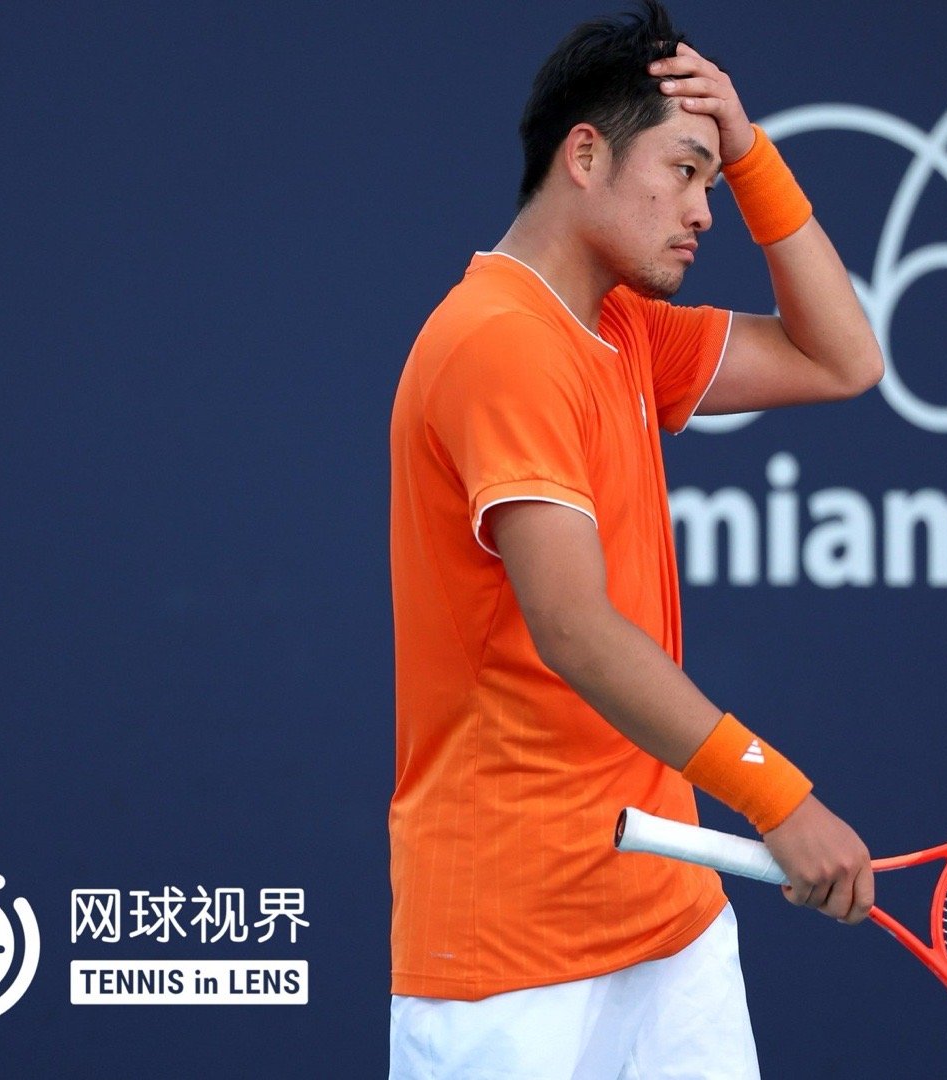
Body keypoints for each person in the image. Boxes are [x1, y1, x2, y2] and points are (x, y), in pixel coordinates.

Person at [388, 3, 883, 1075]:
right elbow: (573, 627)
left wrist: (750, 152)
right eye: (686, 171)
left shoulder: (622, 329)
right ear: (585, 156)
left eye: (713, 179)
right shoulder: (499, 341)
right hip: (511, 949)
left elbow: (843, 359)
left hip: (667, 922)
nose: (704, 210)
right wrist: (777, 798)